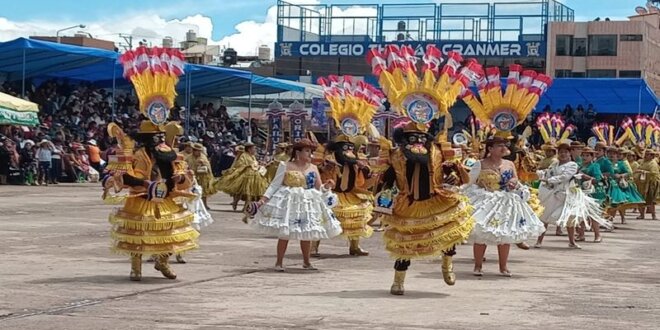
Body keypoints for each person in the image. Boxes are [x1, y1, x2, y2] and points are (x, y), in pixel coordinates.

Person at [251, 138, 342, 271]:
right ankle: (279, 262)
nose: (309, 154)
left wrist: (327, 186)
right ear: (298, 152)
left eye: (310, 151)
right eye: (306, 151)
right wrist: (262, 200)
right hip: (288, 203)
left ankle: (306, 262)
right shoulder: (285, 165)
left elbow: (318, 188)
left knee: (307, 232)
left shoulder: (313, 167)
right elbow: (275, 184)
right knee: (285, 232)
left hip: (307, 202)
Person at [464, 136, 545, 275]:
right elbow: (469, 182)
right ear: (490, 149)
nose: (503, 148)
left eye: (504, 145)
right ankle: (478, 266)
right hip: (486, 202)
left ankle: (503, 267)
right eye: (499, 145)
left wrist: (514, 183)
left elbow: (515, 179)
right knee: (481, 234)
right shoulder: (480, 164)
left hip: (506, 202)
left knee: (505, 235)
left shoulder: (509, 163)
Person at [215, 142, 269, 217]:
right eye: (253, 149)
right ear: (249, 149)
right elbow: (240, 165)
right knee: (242, 192)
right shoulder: (244, 155)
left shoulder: (252, 156)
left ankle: (245, 207)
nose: (255, 150)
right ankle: (235, 202)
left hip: (255, 176)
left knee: (251, 192)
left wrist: (259, 165)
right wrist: (248, 166)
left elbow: (255, 164)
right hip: (246, 176)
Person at [186, 143, 218, 210]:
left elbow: (208, 167)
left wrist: (203, 163)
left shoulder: (203, 157)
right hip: (192, 176)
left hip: (202, 177)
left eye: (197, 150)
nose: (196, 152)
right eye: (194, 150)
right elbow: (186, 166)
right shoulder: (189, 158)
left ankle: (204, 204)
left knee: (203, 191)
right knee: (192, 191)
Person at [634, 149, 660, 220]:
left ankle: (653, 215)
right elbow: (637, 169)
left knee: (651, 200)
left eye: (648, 154)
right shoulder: (643, 162)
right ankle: (642, 214)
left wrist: (643, 171)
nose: (646, 156)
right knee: (641, 200)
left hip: (651, 184)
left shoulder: (653, 163)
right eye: (646, 154)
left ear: (652, 156)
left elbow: (654, 173)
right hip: (642, 183)